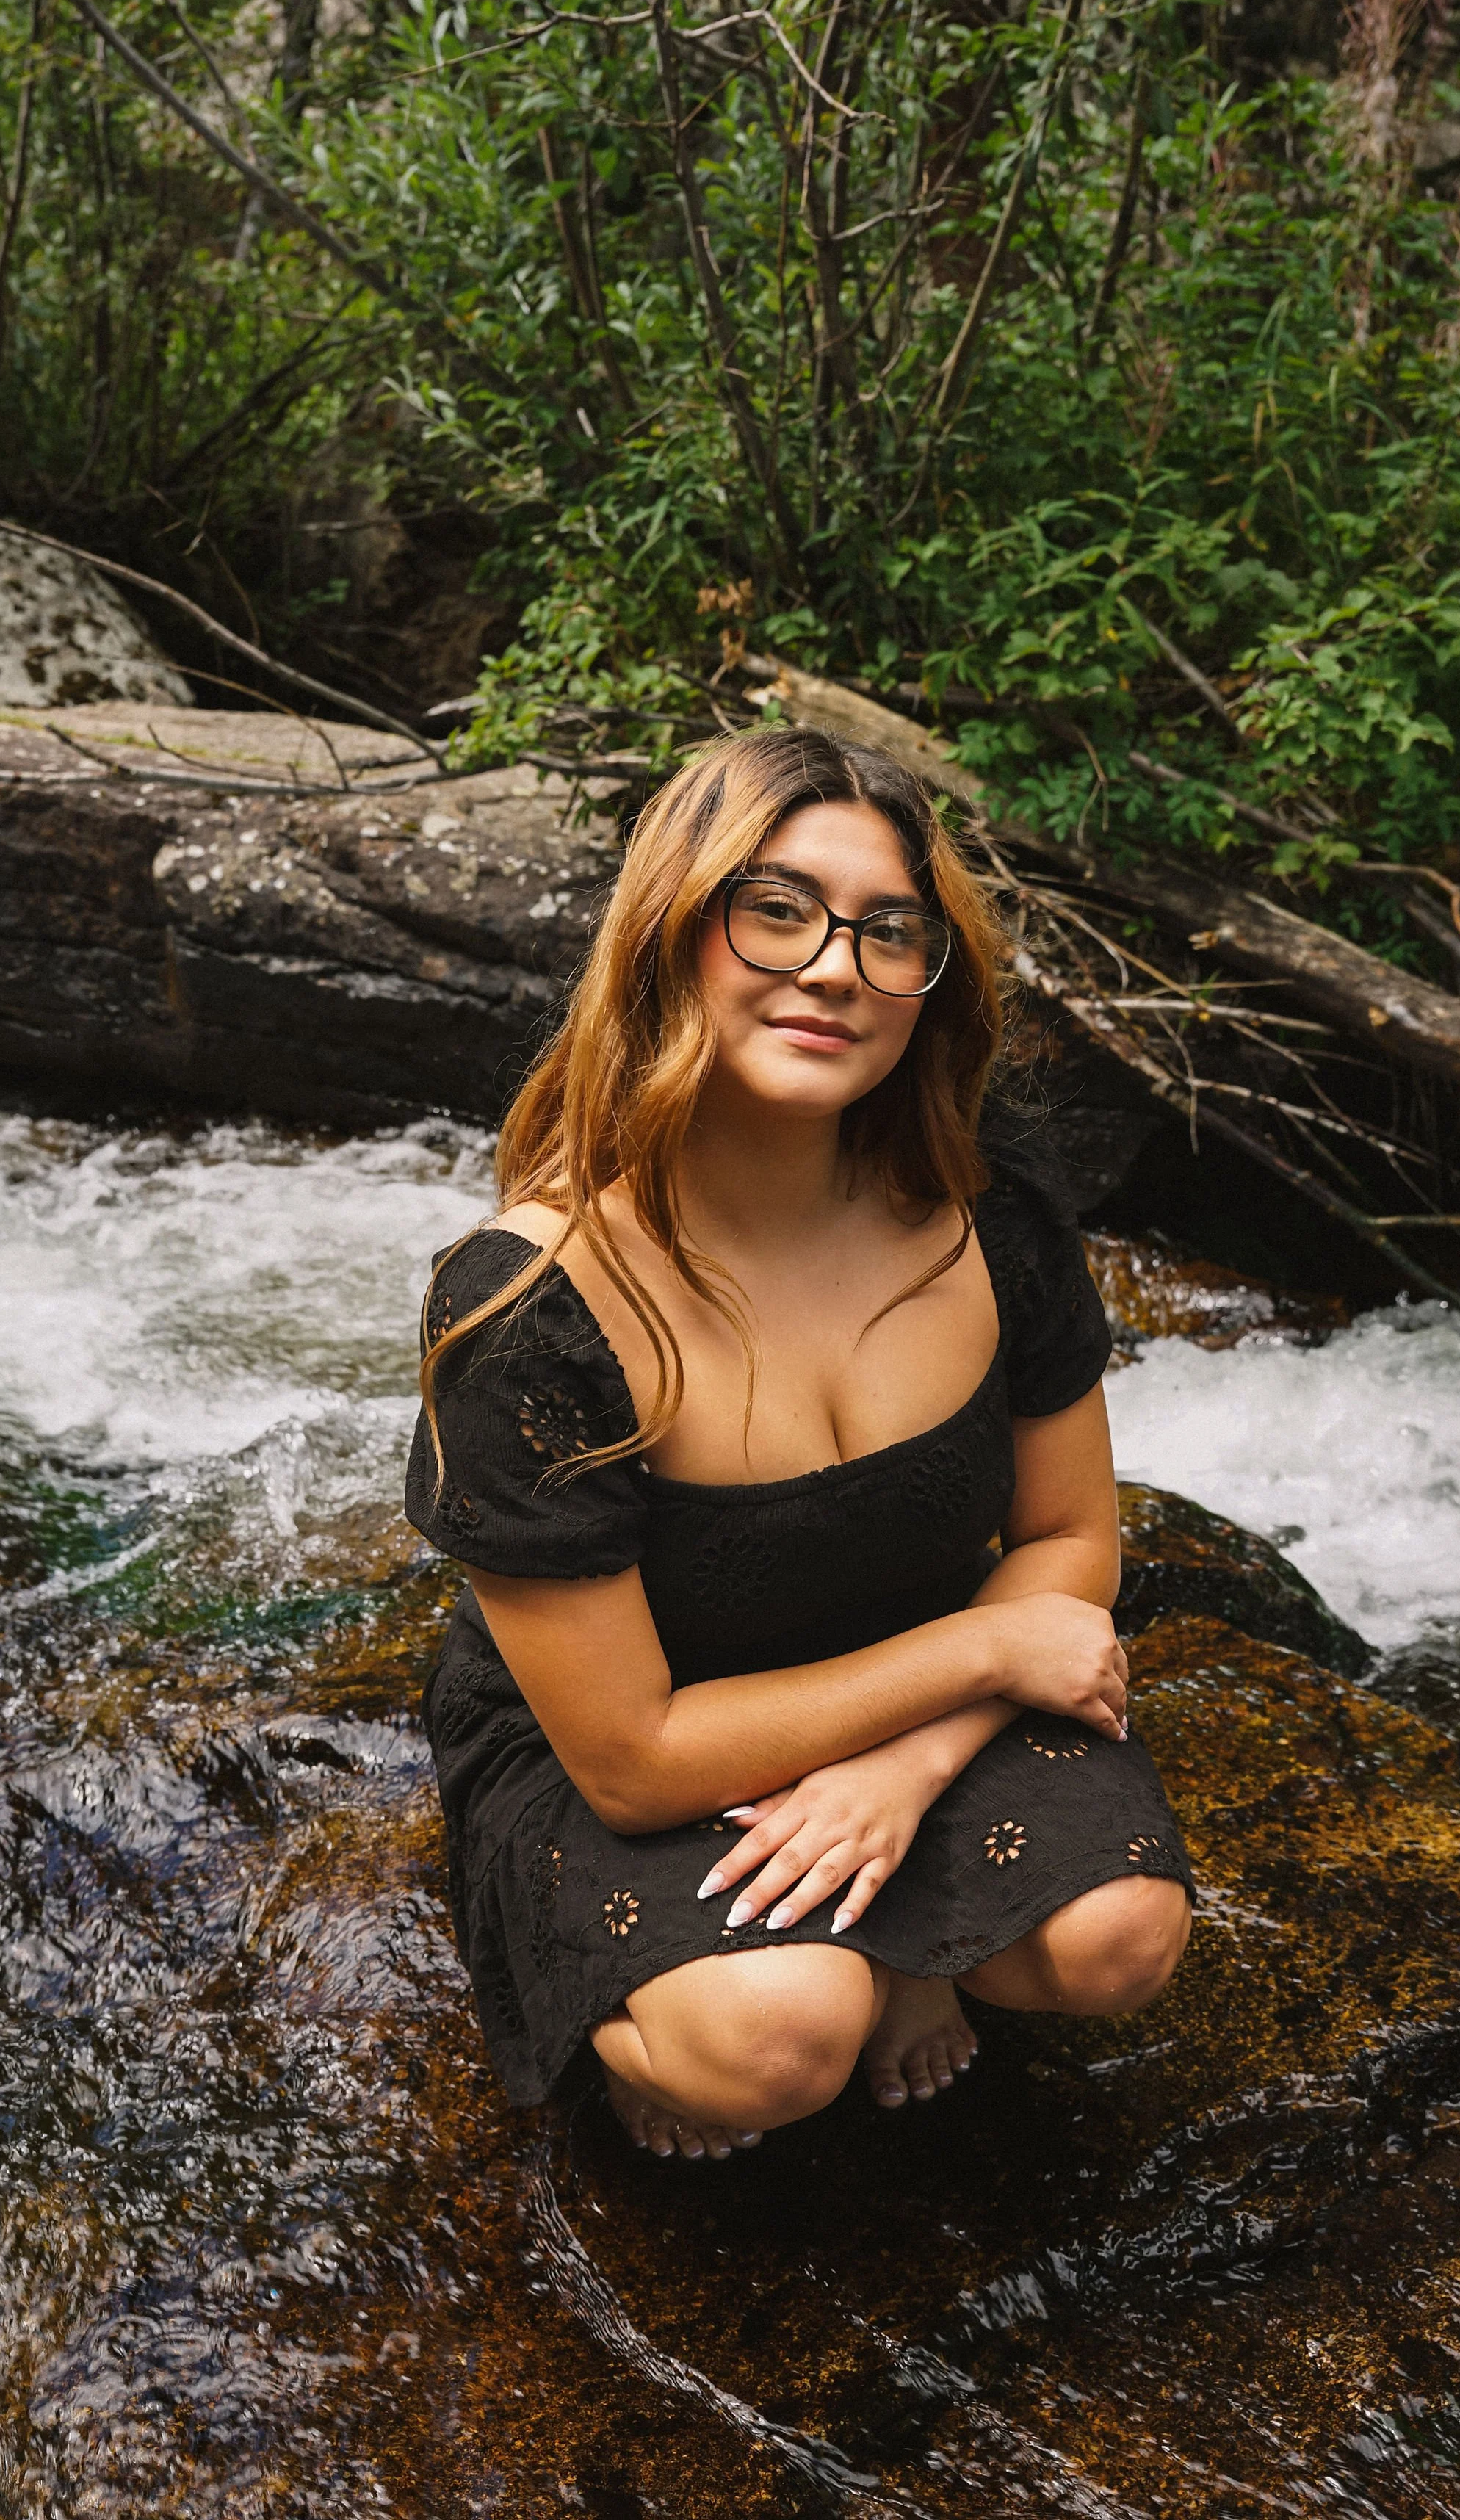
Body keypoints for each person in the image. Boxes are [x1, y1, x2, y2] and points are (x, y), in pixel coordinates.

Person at [406, 729, 1193, 2158]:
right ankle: (664, 2024)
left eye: (892, 933)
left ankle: (902, 1951)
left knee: (1123, 1939)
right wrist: (984, 1654)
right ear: (671, 934)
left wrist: (903, 1771)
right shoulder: (531, 1307)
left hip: (906, 1690)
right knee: (781, 2038)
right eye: (776, 910)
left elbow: (1073, 1539)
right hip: (650, 1736)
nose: (835, 967)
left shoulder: (990, 1209)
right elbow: (635, 1760)